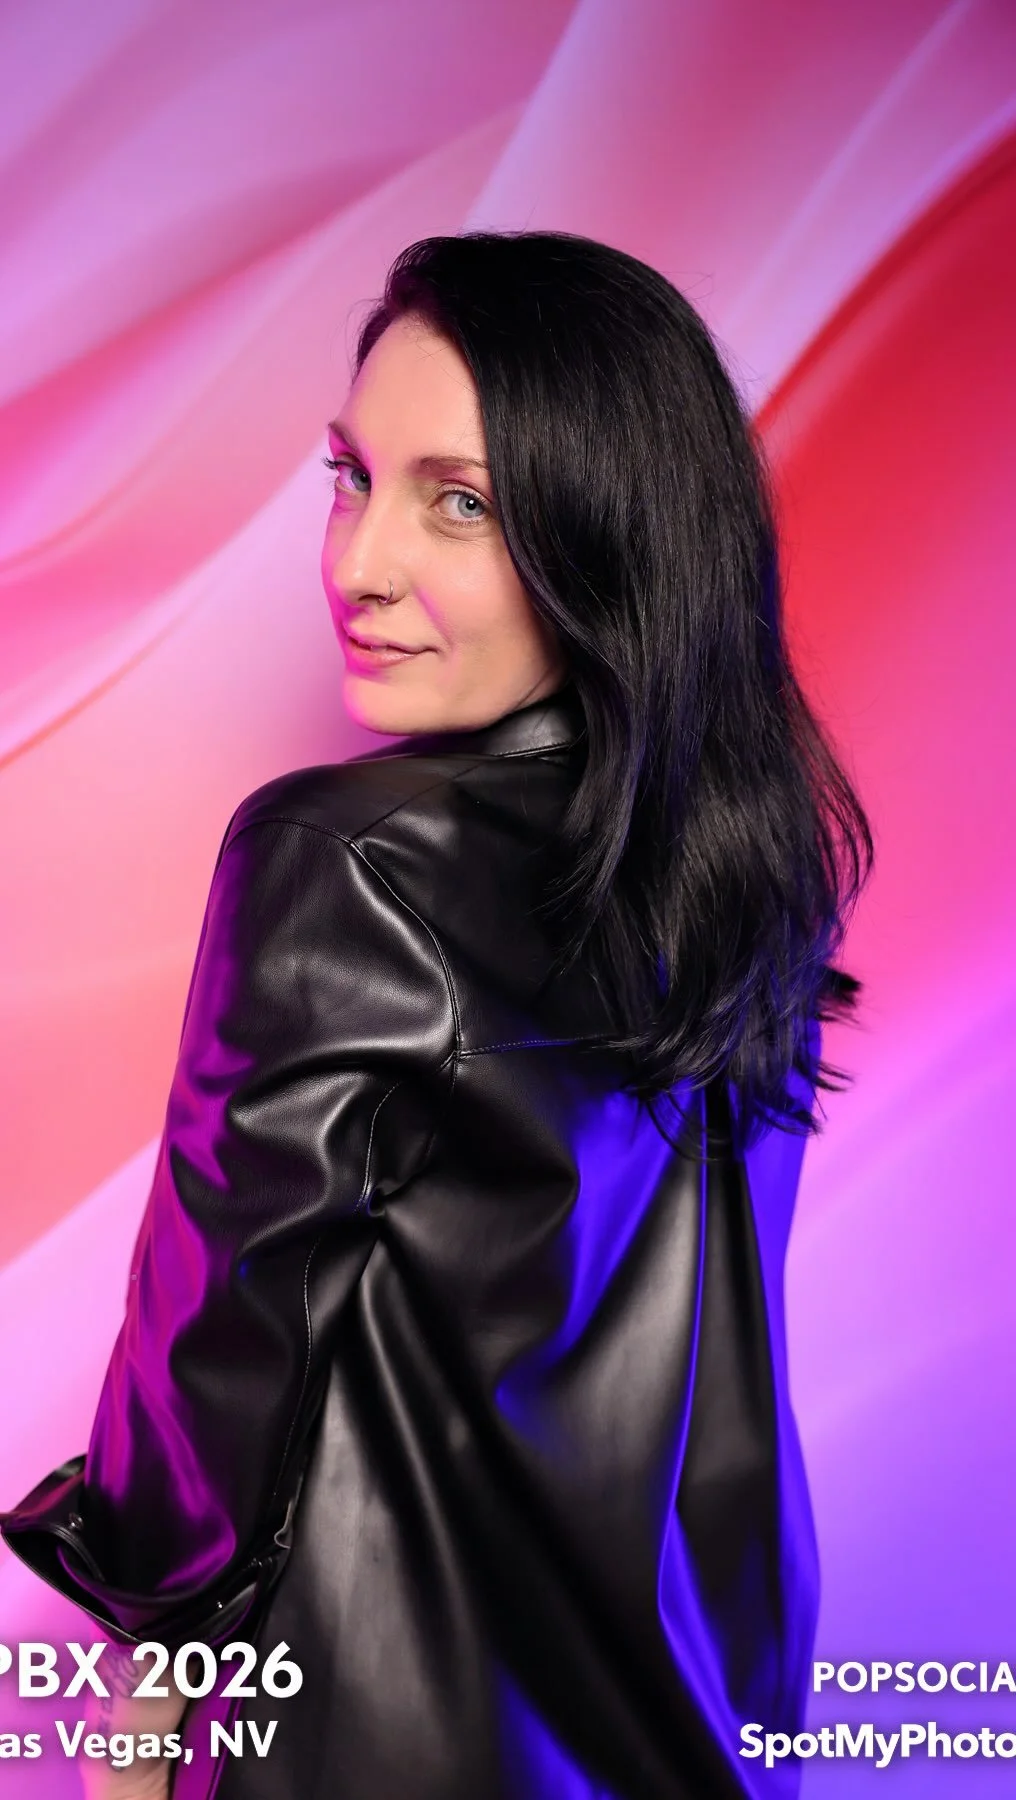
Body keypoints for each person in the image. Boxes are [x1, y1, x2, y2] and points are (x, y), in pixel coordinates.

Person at [1, 230, 872, 1800]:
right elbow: (722, 1408)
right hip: (695, 1732)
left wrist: (141, 1680)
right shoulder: (754, 877)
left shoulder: (344, 857)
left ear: (605, 533)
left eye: (458, 502)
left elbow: (223, 1337)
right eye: (352, 479)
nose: (359, 564)